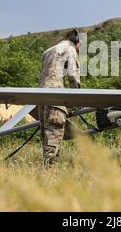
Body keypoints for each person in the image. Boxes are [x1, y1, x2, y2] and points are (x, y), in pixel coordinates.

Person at [38, 29, 81, 166]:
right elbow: (73, 77)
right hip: (56, 98)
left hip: (41, 97)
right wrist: (77, 100)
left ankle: (46, 171)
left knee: (46, 137)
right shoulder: (70, 49)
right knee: (54, 137)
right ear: (77, 41)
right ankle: (50, 175)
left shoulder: (47, 51)